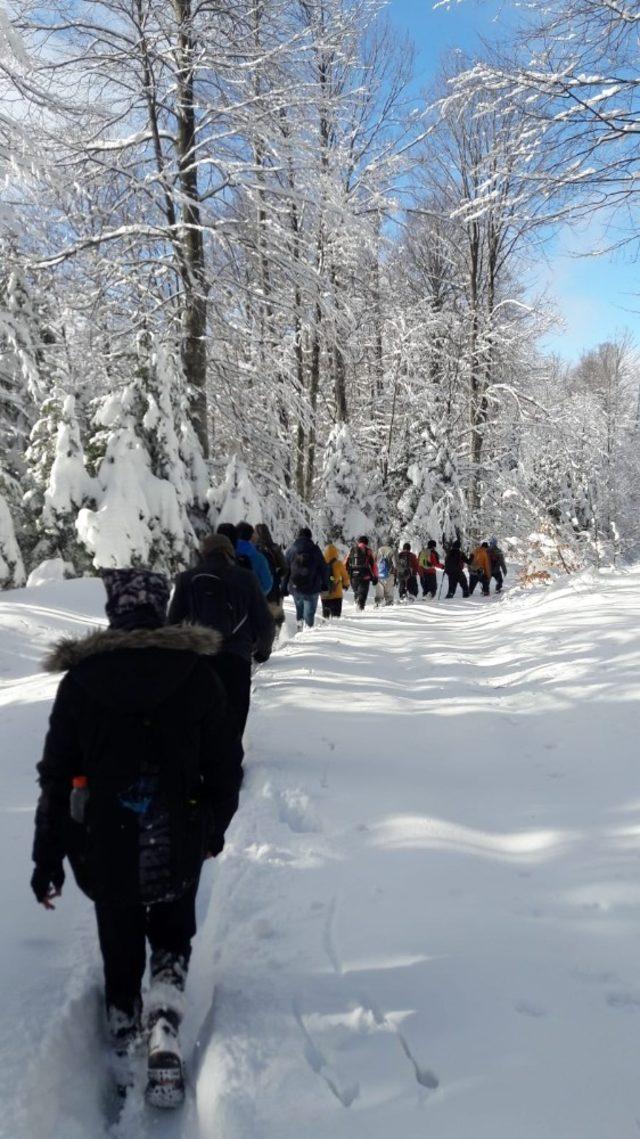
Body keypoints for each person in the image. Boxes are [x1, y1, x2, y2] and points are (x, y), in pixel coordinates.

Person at [31, 568, 244, 1106]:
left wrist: (48, 859)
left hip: (105, 842)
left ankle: (125, 1030)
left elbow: (56, 777)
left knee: (119, 939)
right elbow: (225, 763)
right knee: (172, 934)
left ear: (114, 611)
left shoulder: (81, 680)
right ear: (159, 607)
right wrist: (214, 826)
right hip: (179, 836)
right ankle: (165, 1019)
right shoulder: (197, 674)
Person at [168, 533, 275, 737]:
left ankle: (201, 759)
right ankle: (230, 760)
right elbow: (266, 622)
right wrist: (263, 651)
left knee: (201, 713)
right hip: (237, 656)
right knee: (234, 713)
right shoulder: (245, 578)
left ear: (203, 553)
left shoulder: (186, 579)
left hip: (199, 657)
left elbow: (172, 623)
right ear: (229, 552)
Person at [283, 527, 329, 629]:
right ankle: (308, 631)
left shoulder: (291, 549)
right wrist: (325, 584)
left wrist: (283, 587)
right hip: (312, 587)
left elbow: (286, 569)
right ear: (310, 537)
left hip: (296, 587)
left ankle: (299, 630)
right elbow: (324, 568)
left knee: (299, 610)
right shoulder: (315, 549)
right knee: (309, 613)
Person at [254, 522, 287, 630]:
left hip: (255, 588)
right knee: (273, 616)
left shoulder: (252, 549)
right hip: (273, 588)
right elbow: (285, 568)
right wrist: (278, 576)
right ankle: (274, 637)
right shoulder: (274, 548)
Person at [235, 521, 273, 596]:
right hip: (251, 602)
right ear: (251, 536)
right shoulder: (259, 558)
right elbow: (267, 584)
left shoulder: (227, 554)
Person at [345, 535, 377, 611]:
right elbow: (373, 565)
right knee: (363, 593)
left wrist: (345, 575)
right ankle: (360, 608)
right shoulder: (368, 551)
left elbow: (345, 563)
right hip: (365, 576)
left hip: (353, 576)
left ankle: (356, 604)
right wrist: (375, 576)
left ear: (358, 542)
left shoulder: (352, 550)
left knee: (356, 592)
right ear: (366, 543)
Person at [321, 543, 350, 618]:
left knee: (326, 616)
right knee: (336, 617)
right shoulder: (339, 564)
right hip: (336, 595)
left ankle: (324, 627)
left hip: (324, 594)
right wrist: (346, 585)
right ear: (336, 553)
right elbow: (345, 577)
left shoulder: (321, 564)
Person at [374, 540, 397, 606]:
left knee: (379, 590)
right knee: (389, 590)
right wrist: (395, 573)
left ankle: (378, 603)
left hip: (379, 573)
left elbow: (373, 562)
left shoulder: (378, 550)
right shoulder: (392, 551)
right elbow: (395, 564)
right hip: (389, 574)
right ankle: (389, 603)